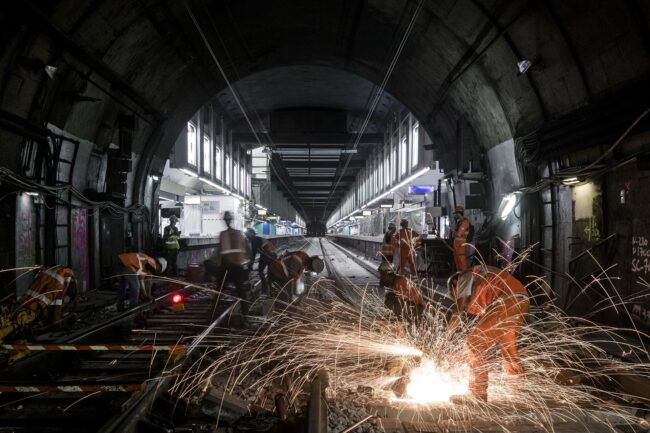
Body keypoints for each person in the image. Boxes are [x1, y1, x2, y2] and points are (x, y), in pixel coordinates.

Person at [447, 265, 529, 403]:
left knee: (474, 342)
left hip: (506, 300)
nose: (458, 297)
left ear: (454, 284)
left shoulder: (463, 276)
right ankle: (517, 388)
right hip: (521, 299)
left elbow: (458, 310)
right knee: (508, 349)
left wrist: (446, 338)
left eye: (454, 294)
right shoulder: (479, 280)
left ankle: (476, 394)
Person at [204, 211, 250, 315]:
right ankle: (245, 315)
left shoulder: (223, 235)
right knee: (241, 292)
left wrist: (209, 262)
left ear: (225, 221)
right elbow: (248, 251)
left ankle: (213, 312)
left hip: (226, 268)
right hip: (237, 268)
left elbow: (218, 253)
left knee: (219, 291)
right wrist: (246, 263)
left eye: (226, 220)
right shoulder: (239, 234)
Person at [246, 228, 277, 295]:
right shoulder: (254, 240)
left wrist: (251, 263)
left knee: (268, 272)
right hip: (267, 255)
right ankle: (266, 288)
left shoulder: (257, 239)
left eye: (248, 235)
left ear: (252, 234)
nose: (247, 236)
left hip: (270, 255)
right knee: (263, 271)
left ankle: (268, 288)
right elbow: (254, 252)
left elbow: (262, 251)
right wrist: (252, 262)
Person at [452, 206, 471, 271]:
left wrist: (455, 234)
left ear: (458, 213)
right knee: (457, 263)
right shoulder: (459, 222)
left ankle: (464, 277)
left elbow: (458, 234)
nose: (455, 215)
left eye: (455, 214)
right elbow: (454, 234)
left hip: (461, 245)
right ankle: (460, 278)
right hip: (457, 245)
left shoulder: (465, 222)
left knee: (462, 262)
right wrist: (455, 234)